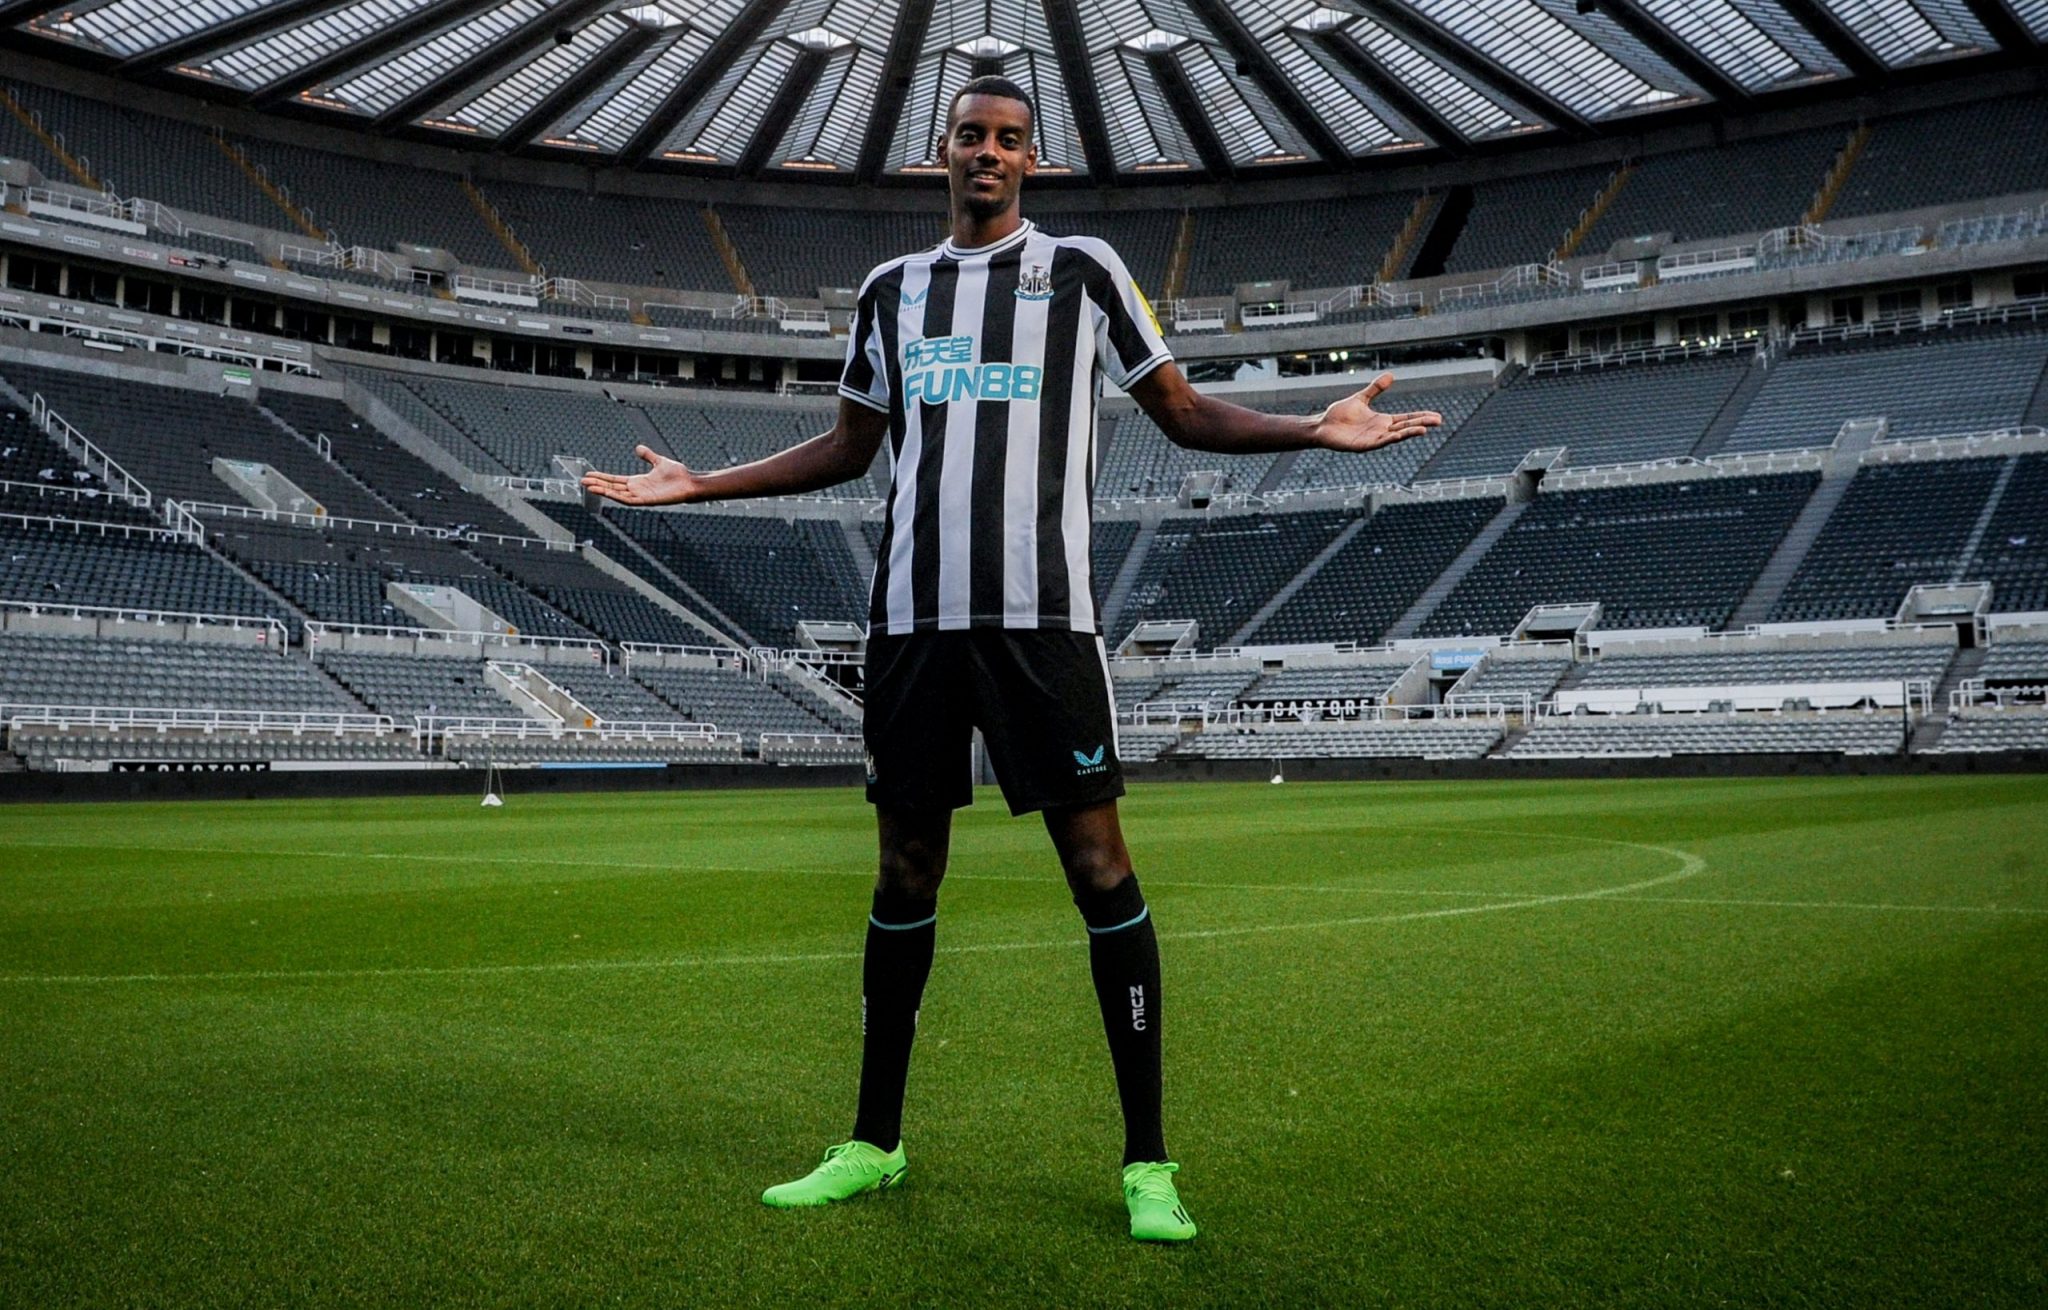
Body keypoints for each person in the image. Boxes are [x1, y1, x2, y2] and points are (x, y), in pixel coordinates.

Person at [581, 75, 1442, 1243]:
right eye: (968, 136)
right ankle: (872, 1141)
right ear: (940, 153)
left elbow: (1180, 411)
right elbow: (848, 446)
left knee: (1096, 862)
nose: (986, 153)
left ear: (1029, 160)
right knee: (903, 872)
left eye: (1006, 140)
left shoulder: (1082, 272)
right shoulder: (892, 292)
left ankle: (1147, 1160)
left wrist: (1309, 427)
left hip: (1042, 622)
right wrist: (701, 480)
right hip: (913, 624)